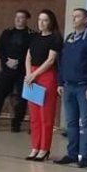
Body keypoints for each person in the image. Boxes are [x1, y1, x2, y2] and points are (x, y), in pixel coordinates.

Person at [54, 8, 87, 168]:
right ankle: (72, 154)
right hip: (68, 86)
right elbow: (62, 62)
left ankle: (86, 156)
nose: (74, 19)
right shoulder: (70, 38)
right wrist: (60, 82)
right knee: (71, 122)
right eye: (73, 16)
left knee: (86, 122)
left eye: (77, 16)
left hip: (83, 87)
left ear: (86, 19)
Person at [0, 10, 33, 132]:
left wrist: (18, 61)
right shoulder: (7, 33)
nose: (18, 19)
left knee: (22, 97)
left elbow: (31, 52)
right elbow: (0, 49)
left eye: (21, 17)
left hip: (22, 71)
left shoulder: (31, 35)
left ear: (26, 20)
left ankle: (16, 123)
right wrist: (7, 61)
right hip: (7, 69)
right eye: (16, 17)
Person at [24, 9, 63, 162]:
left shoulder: (55, 38)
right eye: (39, 19)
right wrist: (29, 74)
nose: (41, 23)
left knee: (45, 116)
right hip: (32, 75)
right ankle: (35, 146)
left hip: (46, 76)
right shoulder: (34, 37)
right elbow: (28, 56)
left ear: (51, 22)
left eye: (45, 20)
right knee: (34, 116)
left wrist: (35, 75)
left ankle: (44, 148)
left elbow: (50, 60)